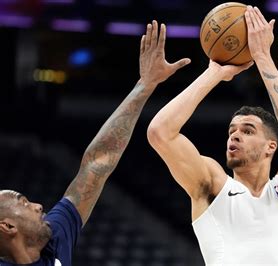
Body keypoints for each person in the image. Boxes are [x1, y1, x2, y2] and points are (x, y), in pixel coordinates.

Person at [0, 20, 190, 265]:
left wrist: (145, 86)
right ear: (7, 225)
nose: (37, 206)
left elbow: (97, 162)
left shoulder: (53, 241)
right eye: (23, 203)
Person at [147, 6, 278, 265]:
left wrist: (262, 58)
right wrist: (214, 72)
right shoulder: (213, 184)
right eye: (232, 131)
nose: (235, 136)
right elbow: (160, 133)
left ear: (271, 146)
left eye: (248, 131)